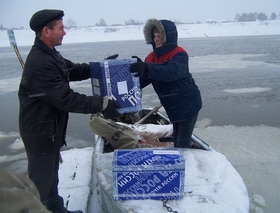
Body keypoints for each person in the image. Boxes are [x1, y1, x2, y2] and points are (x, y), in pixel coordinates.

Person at [18, 9, 120, 213]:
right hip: (40, 134)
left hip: (48, 131)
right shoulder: (41, 62)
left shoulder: (49, 54)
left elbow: (72, 70)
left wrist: (98, 67)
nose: (64, 32)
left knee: (50, 179)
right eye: (61, 28)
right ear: (46, 31)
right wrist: (102, 104)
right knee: (40, 187)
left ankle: (57, 209)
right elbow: (65, 98)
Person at [129, 19, 202, 148]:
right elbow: (142, 80)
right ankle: (180, 149)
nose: (156, 39)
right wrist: (120, 74)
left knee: (182, 142)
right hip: (173, 106)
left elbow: (171, 72)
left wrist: (147, 68)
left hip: (188, 104)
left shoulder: (179, 54)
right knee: (178, 135)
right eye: (154, 36)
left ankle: (185, 163)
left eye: (160, 36)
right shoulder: (151, 57)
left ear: (167, 37)